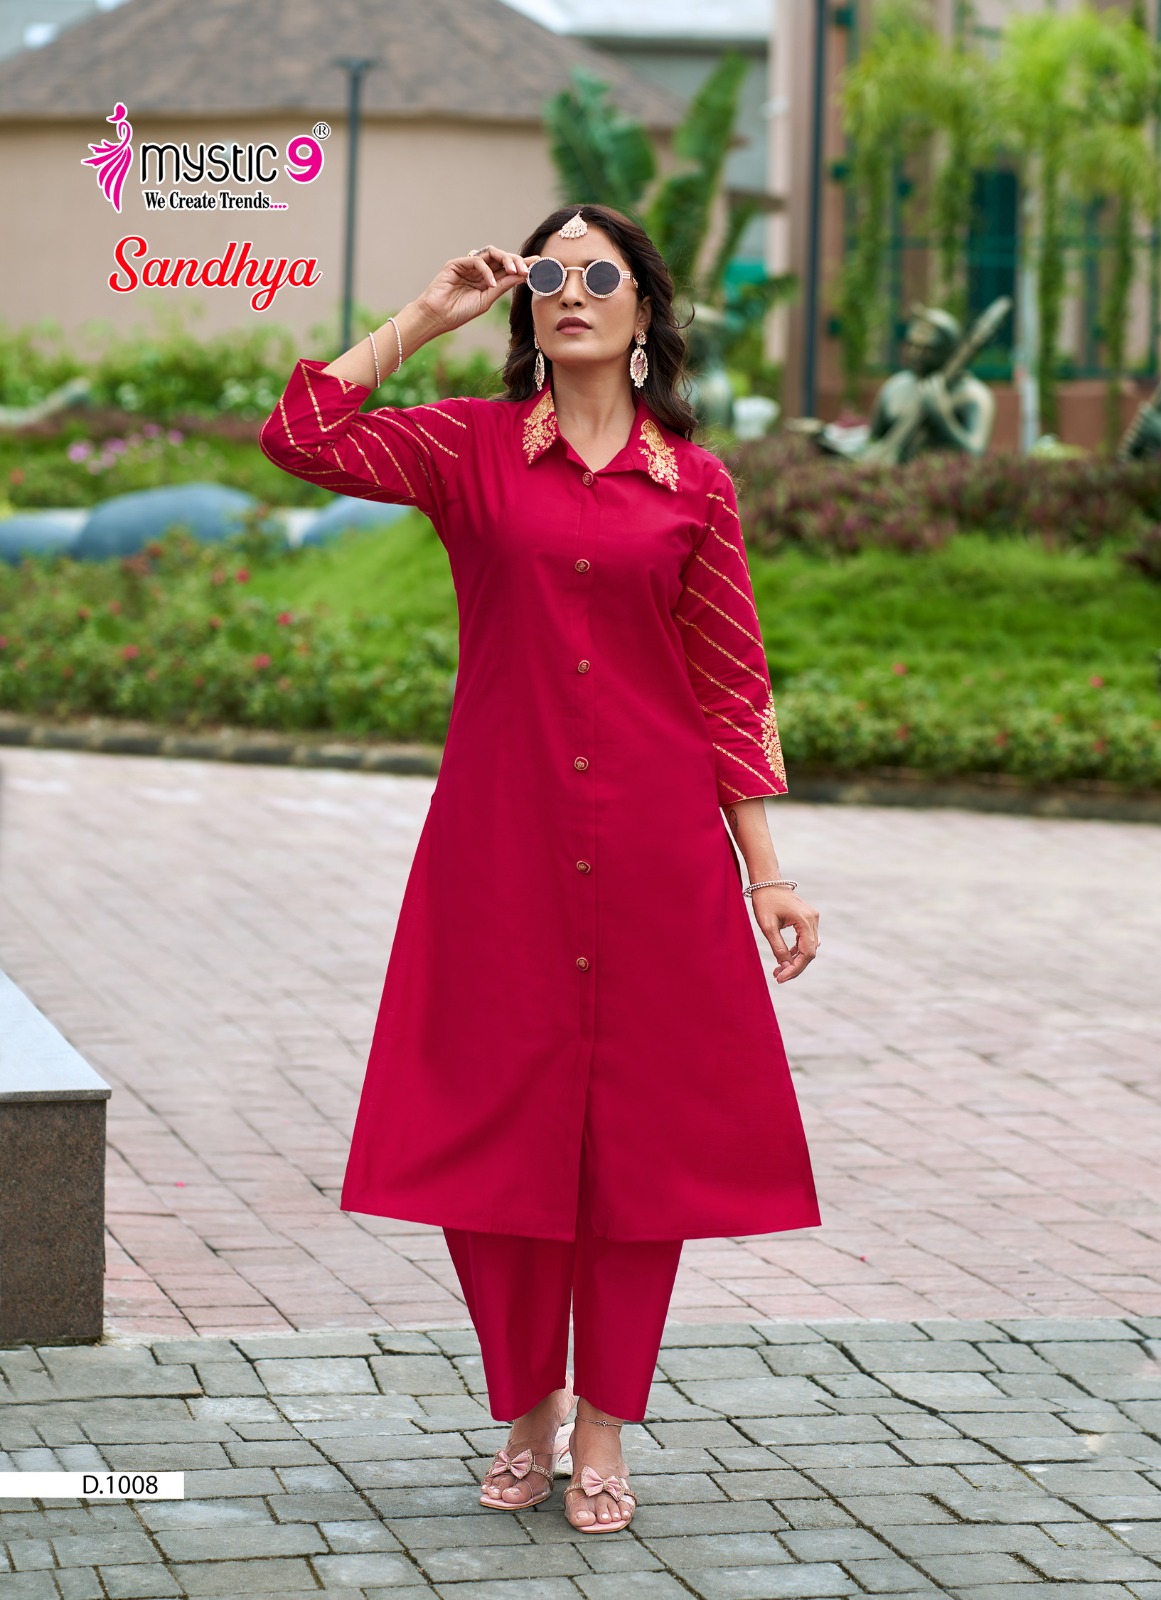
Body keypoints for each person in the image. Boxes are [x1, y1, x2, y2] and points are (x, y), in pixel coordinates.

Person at [259, 202, 821, 1535]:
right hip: (498, 844)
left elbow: (730, 685)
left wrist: (765, 873)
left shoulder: (695, 486)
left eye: (598, 274)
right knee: (500, 1138)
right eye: (549, 274)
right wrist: (425, 316)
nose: (570, 291)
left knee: (641, 1148)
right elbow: (301, 436)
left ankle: (607, 1421)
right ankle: (527, 1408)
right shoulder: (466, 448)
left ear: (644, 311)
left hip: (656, 850)